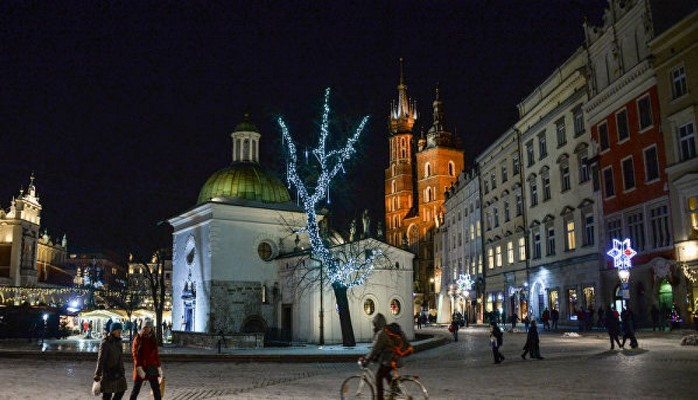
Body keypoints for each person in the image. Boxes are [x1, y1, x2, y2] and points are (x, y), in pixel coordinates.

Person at [358, 313, 396, 400]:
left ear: (377, 324)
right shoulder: (385, 331)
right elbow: (378, 349)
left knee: (378, 377)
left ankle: (380, 398)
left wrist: (366, 360)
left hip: (389, 359)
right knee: (385, 373)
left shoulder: (381, 333)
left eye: (374, 324)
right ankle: (395, 390)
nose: (374, 326)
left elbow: (375, 349)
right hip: (393, 358)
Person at [129, 318, 163, 400]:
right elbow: (135, 354)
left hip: (151, 366)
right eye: (145, 327)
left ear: (151, 328)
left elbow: (156, 354)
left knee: (156, 389)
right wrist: (138, 367)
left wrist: (159, 367)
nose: (147, 329)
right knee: (136, 389)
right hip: (141, 367)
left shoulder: (153, 339)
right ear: (142, 328)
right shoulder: (138, 339)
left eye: (149, 327)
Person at [94, 322, 127, 400]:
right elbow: (101, 359)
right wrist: (98, 374)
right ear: (113, 331)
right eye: (118, 330)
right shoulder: (106, 342)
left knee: (121, 390)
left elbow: (120, 358)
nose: (120, 332)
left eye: (120, 330)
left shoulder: (118, 342)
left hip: (118, 371)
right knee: (107, 395)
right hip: (108, 372)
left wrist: (122, 369)